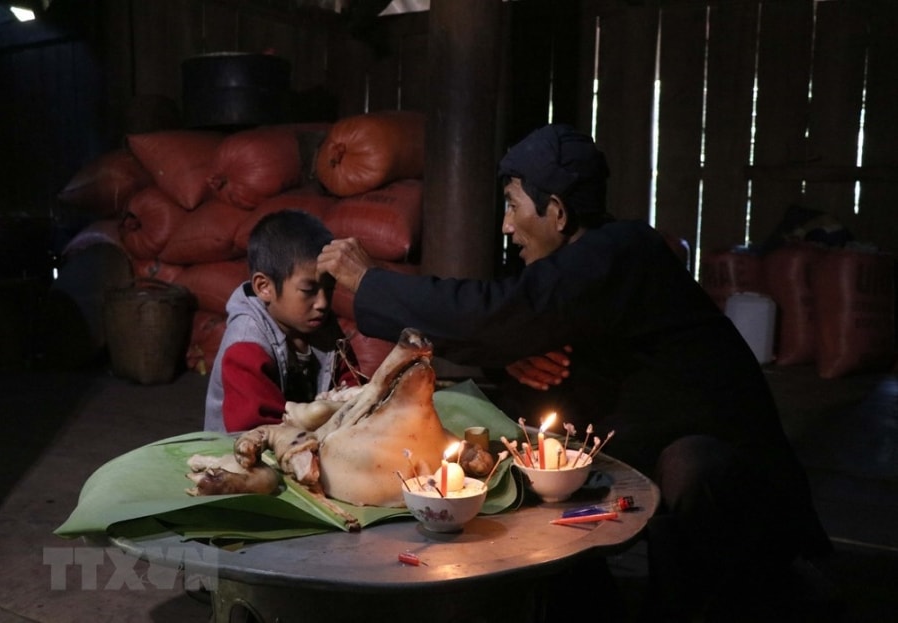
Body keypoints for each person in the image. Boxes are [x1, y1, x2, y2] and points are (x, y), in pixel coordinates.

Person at [317, 124, 833, 621]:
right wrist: (512, 352)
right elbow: (511, 324)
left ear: (557, 212)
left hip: (745, 502)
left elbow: (494, 313)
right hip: (655, 448)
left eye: (513, 206)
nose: (506, 225)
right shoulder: (583, 270)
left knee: (697, 468)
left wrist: (370, 282)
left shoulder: (619, 253)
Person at [204, 209, 360, 433]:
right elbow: (257, 432)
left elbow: (351, 383)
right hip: (248, 455)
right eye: (308, 290)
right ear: (264, 287)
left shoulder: (321, 325)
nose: (323, 303)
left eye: (329, 289)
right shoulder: (245, 347)